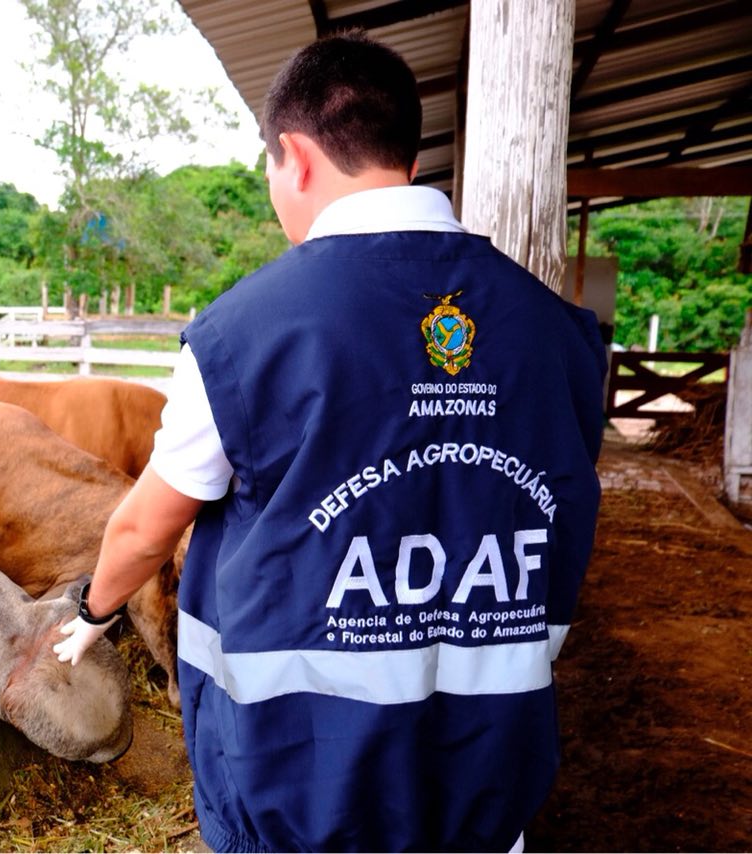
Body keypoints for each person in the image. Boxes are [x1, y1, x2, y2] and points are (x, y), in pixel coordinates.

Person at [53, 29, 607, 853]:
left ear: (298, 157)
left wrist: (92, 610)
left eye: (270, 169)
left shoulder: (246, 333)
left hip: (302, 792)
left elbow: (144, 528)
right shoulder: (559, 332)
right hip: (486, 794)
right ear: (407, 158)